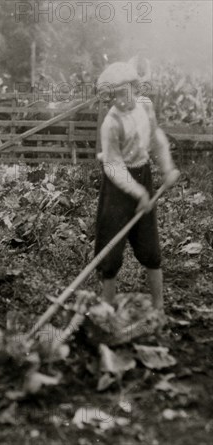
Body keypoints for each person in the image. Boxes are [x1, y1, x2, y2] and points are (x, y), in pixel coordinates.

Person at [95, 62, 180, 311]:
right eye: (114, 97)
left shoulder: (145, 107)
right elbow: (113, 166)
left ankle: (158, 306)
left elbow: (155, 138)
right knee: (110, 249)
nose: (120, 101)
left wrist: (167, 168)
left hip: (142, 174)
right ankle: (107, 308)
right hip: (117, 187)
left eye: (124, 93)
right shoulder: (110, 124)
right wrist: (137, 192)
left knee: (149, 245)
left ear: (135, 88)